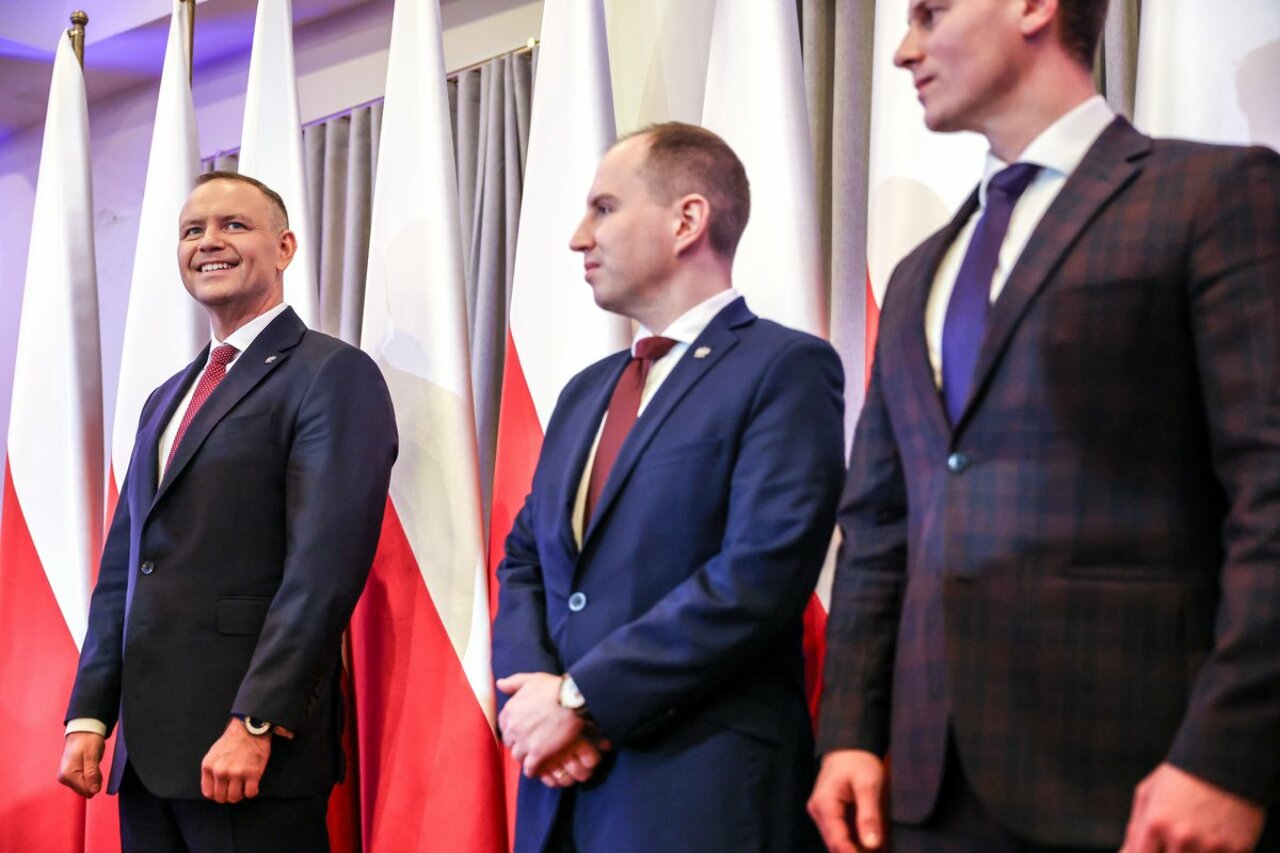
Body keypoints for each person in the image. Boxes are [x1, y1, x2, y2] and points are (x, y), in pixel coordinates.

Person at [809, 1, 1280, 850]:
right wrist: (848, 727)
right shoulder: (917, 274)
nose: (903, 50)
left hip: (1141, 781)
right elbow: (879, 525)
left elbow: (1271, 490)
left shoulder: (1211, 195)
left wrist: (1228, 756)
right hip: (922, 790)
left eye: (930, 13)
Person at [491, 122, 845, 852]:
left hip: (699, 791)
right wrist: (533, 691)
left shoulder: (784, 368)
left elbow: (761, 574)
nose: (578, 237)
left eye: (604, 208)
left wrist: (580, 699)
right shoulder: (586, 392)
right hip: (560, 792)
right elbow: (527, 557)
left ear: (687, 220)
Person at [57, 172, 398, 851]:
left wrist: (256, 721)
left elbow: (322, 572)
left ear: (285, 247)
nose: (208, 241)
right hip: (146, 760)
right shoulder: (166, 396)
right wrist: (89, 714)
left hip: (248, 756)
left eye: (233, 225)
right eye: (193, 230)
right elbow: (127, 565)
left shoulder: (331, 373)